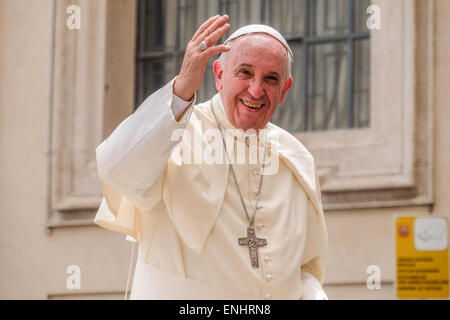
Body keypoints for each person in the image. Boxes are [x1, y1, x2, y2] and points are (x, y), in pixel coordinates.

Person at [94, 15, 328, 300]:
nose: (256, 90)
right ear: (218, 75)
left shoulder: (296, 159)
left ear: (284, 90)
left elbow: (302, 269)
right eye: (245, 72)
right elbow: (117, 170)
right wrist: (181, 90)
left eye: (271, 79)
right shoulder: (173, 132)